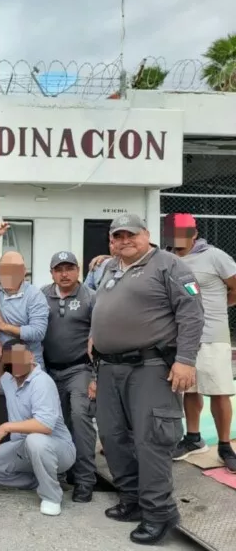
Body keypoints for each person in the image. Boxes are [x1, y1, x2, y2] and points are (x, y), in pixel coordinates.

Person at [91, 213, 203, 545]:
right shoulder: (110, 268)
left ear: (147, 235)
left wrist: (185, 360)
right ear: (111, 241)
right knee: (111, 436)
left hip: (151, 367)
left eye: (131, 235)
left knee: (151, 440)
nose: (124, 241)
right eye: (117, 236)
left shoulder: (169, 265)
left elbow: (192, 313)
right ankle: (132, 500)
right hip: (109, 368)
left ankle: (159, 513)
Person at [165, 213, 236, 472]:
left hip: (212, 335)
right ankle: (193, 438)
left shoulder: (215, 256)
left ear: (194, 233)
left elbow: (234, 287)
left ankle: (226, 445)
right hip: (182, 337)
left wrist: (217, 308)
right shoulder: (167, 259)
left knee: (218, 391)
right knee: (190, 389)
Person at [0, 339, 76, 516]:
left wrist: (7, 426)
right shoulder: (7, 379)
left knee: (35, 439)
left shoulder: (42, 382)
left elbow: (44, 426)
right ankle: (39, 481)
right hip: (22, 447)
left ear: (31, 357)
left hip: (57, 448)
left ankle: (52, 496)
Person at [40, 251, 97, 503]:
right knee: (56, 422)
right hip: (49, 371)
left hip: (79, 369)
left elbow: (101, 339)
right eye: (59, 269)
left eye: (69, 268)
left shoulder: (91, 298)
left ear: (79, 270)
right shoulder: (41, 296)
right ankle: (64, 471)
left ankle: (85, 479)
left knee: (79, 417)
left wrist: (97, 377)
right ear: (52, 272)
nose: (65, 274)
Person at [0, 251, 50, 368]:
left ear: (24, 271)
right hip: (0, 360)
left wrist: (3, 325)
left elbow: (38, 332)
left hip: (29, 363)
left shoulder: (34, 295)